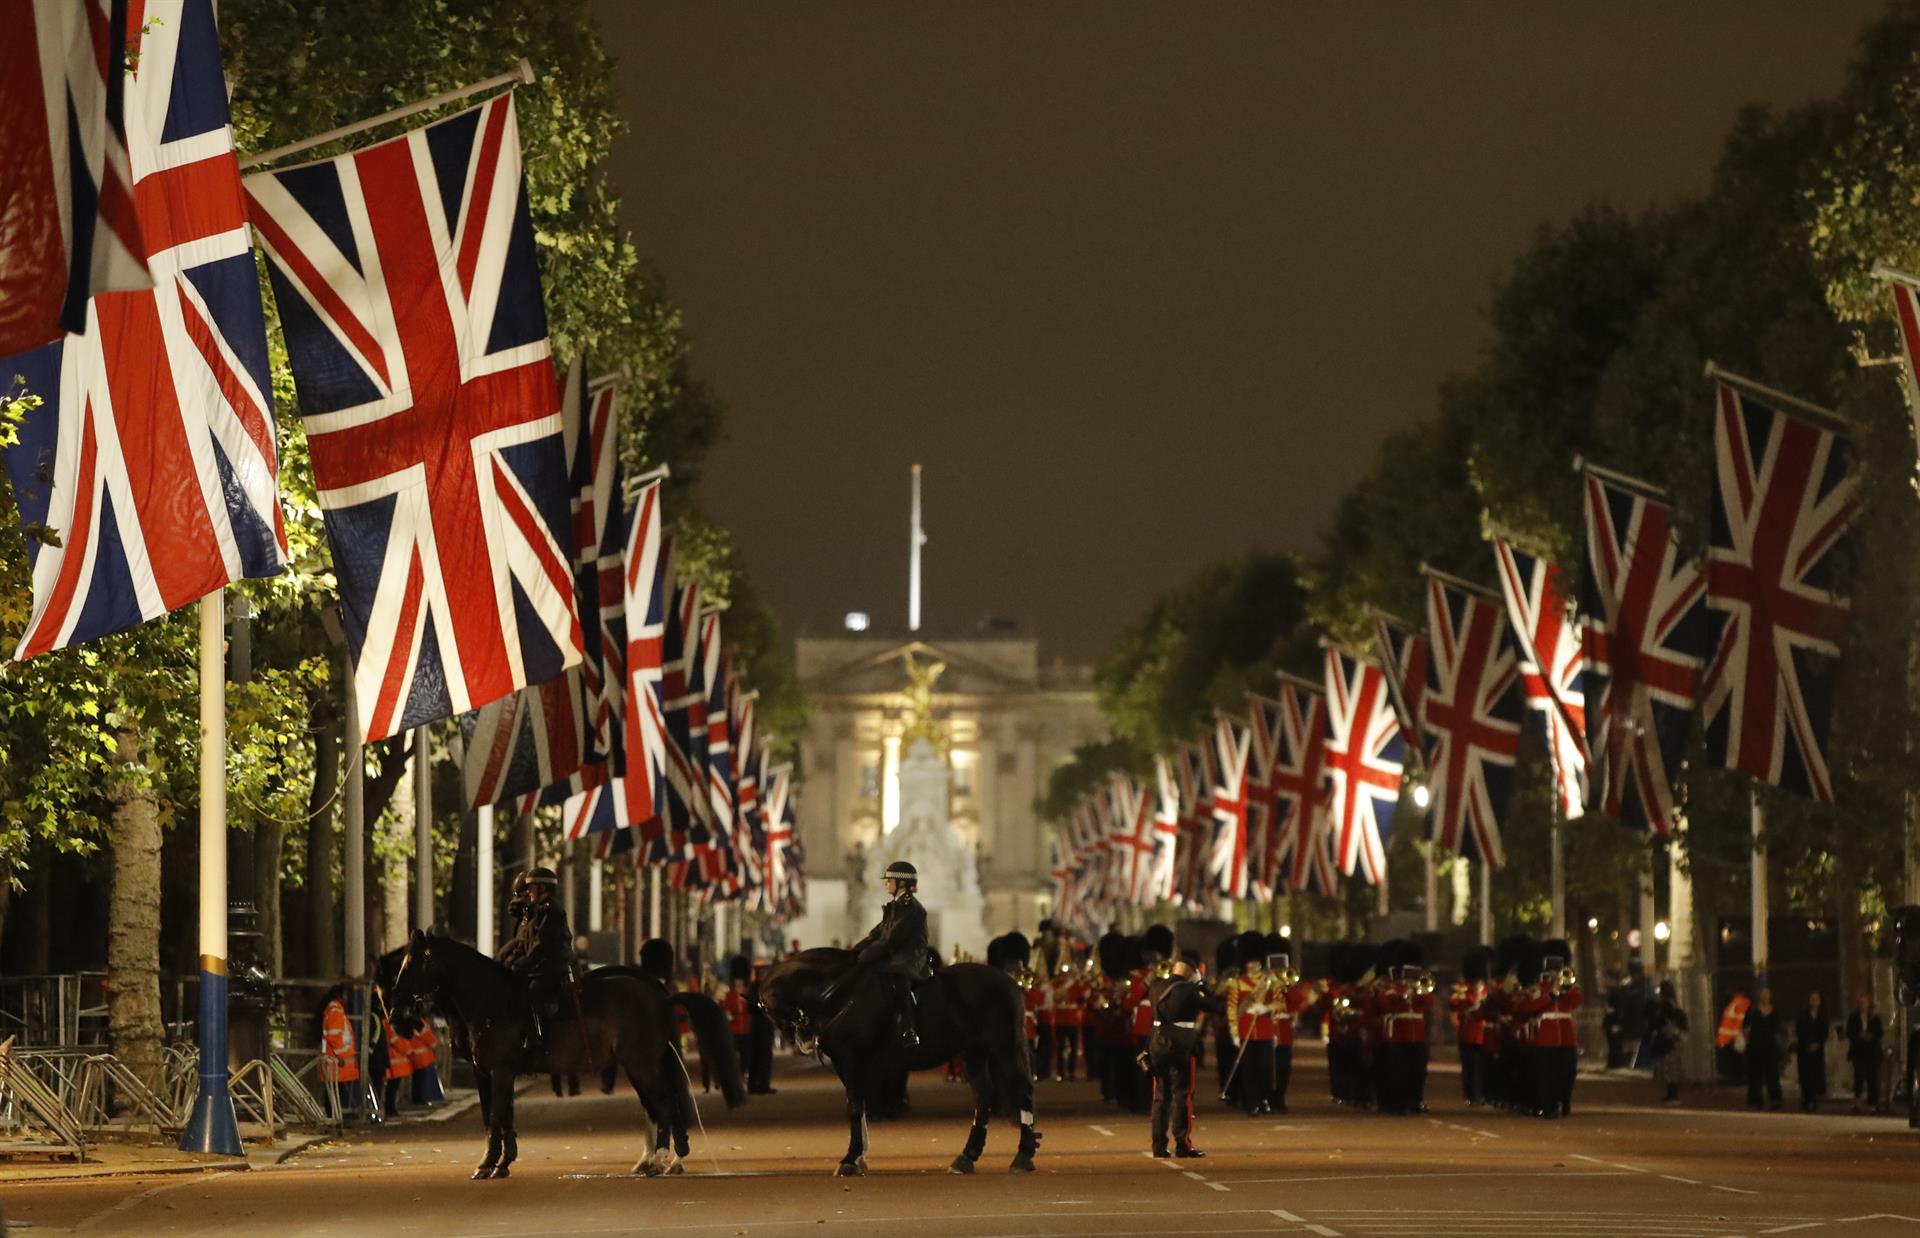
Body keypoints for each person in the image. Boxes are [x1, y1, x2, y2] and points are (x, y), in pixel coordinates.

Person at [1145, 954, 1226, 1159]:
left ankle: (1158, 1146)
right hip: (1181, 1047)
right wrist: (1201, 985)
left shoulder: (1156, 987)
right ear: (1191, 973)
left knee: (1160, 1097)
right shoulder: (1190, 990)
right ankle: (1182, 1144)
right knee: (1183, 1095)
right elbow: (1217, 1006)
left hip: (1157, 1045)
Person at [848, 860, 931, 1048]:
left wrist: (865, 956)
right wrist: (855, 950)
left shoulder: (911, 908)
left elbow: (890, 940)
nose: (886, 883)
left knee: (897, 981)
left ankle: (908, 1029)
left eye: (889, 880)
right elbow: (877, 933)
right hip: (895, 954)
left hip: (908, 958)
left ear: (901, 883)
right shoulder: (896, 905)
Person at [499, 866, 575, 1053]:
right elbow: (523, 943)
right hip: (540, 965)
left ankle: (537, 1037)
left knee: (532, 991)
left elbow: (541, 944)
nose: (528, 893)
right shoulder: (539, 912)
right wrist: (509, 961)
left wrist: (524, 963)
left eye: (531, 889)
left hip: (554, 966)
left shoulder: (552, 911)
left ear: (543, 889)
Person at [1644, 980, 1688, 1105]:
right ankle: (1671, 1094)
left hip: (1668, 1040)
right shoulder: (1675, 1005)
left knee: (1670, 1069)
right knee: (1672, 1069)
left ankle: (1673, 1095)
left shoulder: (1666, 1006)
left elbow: (1658, 1022)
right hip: (1674, 1038)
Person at [1744, 987, 1785, 1110]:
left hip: (1770, 1046)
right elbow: (1746, 1027)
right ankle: (1756, 1100)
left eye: (1766, 994)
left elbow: (1777, 1029)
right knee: (1755, 1074)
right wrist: (1747, 1041)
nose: (1764, 997)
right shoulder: (1752, 1011)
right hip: (1755, 1046)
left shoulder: (1774, 1011)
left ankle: (1775, 1099)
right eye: (1762, 994)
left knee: (1772, 1073)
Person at [1793, 990, 1832, 1112]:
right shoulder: (1803, 1014)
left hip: (1818, 1050)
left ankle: (1815, 1099)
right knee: (1806, 1075)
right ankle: (1806, 1099)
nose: (1814, 1001)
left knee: (1816, 1074)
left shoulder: (1823, 1015)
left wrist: (1818, 1043)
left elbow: (1824, 1031)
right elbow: (1799, 1030)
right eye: (1812, 999)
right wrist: (1807, 1043)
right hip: (1804, 1049)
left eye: (1816, 999)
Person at [1846, 993, 1884, 1113]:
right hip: (1859, 1052)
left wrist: (1870, 1037)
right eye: (1861, 1002)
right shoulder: (1853, 1017)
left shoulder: (1875, 1017)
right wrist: (1859, 1036)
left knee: (1872, 1078)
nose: (1863, 1005)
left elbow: (1879, 1033)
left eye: (1865, 1002)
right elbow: (1849, 1032)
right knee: (1858, 1078)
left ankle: (1873, 1103)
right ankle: (1857, 1101)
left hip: (1872, 1052)